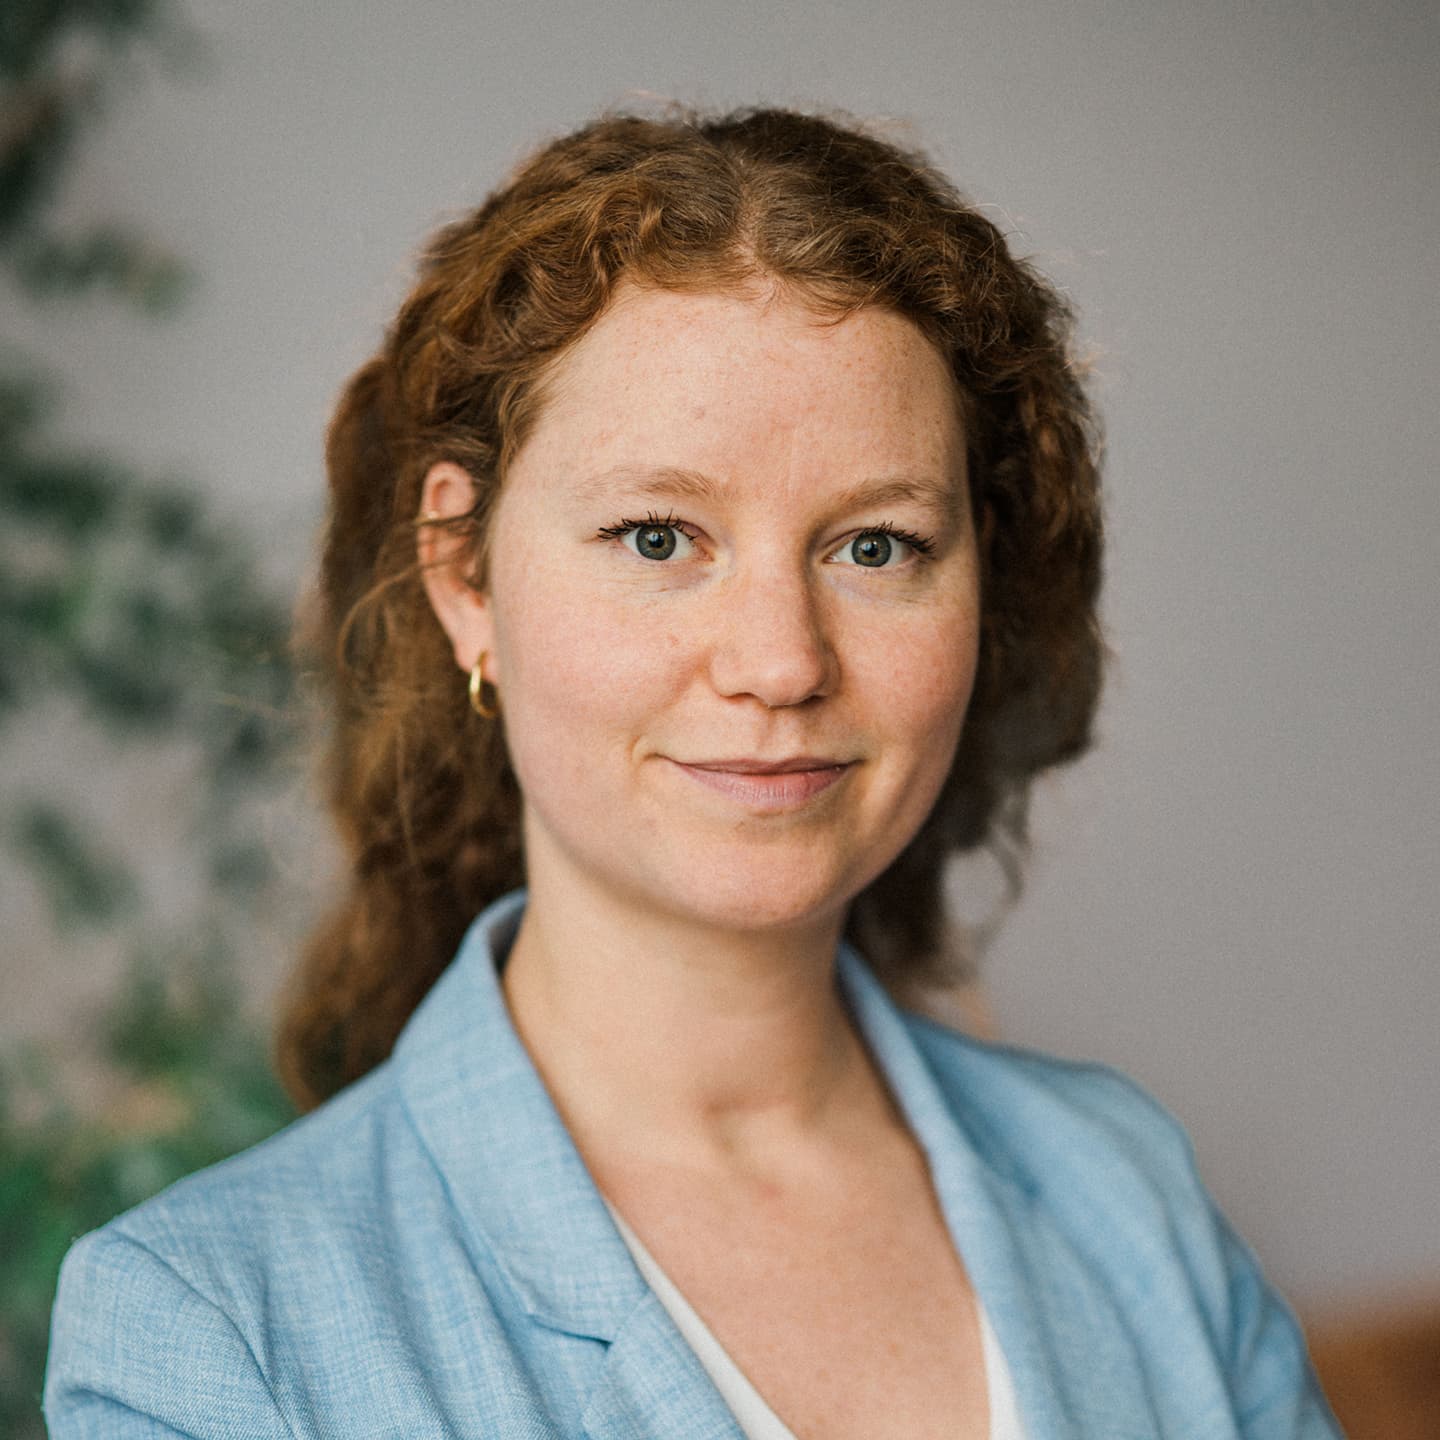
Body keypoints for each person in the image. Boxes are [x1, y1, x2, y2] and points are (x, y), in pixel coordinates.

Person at [44, 106, 1342, 1438]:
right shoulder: (215, 1331)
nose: (781, 662)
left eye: (878, 546)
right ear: (465, 576)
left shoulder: (1128, 1195)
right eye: (659, 536)